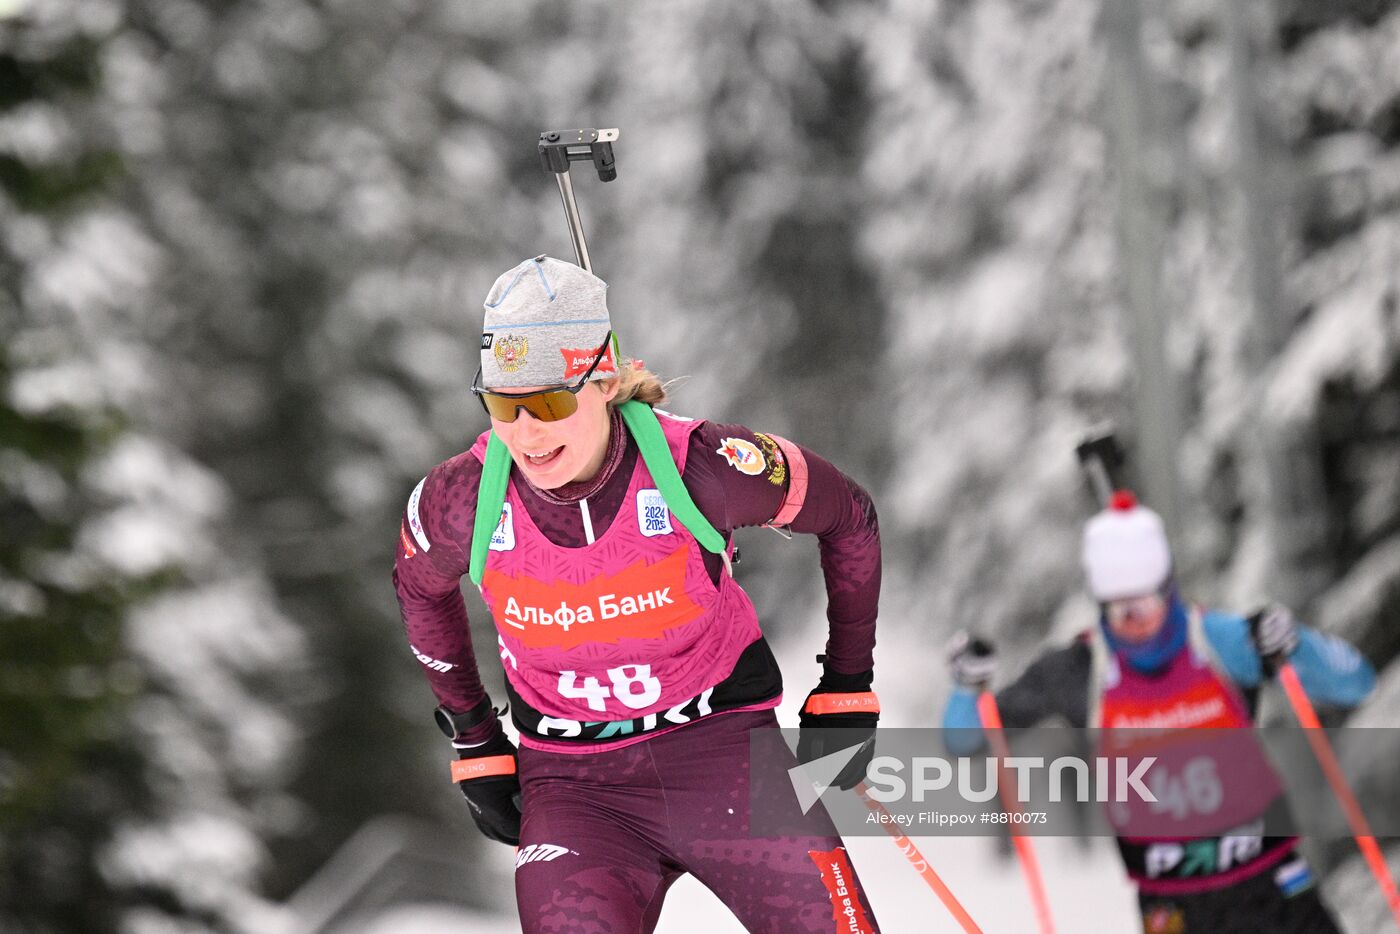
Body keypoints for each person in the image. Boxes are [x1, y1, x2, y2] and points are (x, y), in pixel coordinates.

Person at [393, 255, 883, 932]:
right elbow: (419, 589)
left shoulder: (705, 467)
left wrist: (848, 682)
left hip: (728, 759)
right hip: (576, 793)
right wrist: (475, 742)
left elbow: (849, 514)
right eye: (504, 403)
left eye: (550, 400)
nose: (526, 432)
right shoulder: (461, 500)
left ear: (605, 379)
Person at [942, 489, 1375, 934]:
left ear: (1167, 588)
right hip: (1173, 908)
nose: (1136, 622)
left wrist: (1296, 644)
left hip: (1271, 887)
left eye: (1145, 603)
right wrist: (966, 687)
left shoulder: (1218, 640)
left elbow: (1355, 682)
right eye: (1119, 608)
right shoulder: (1079, 670)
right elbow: (965, 738)